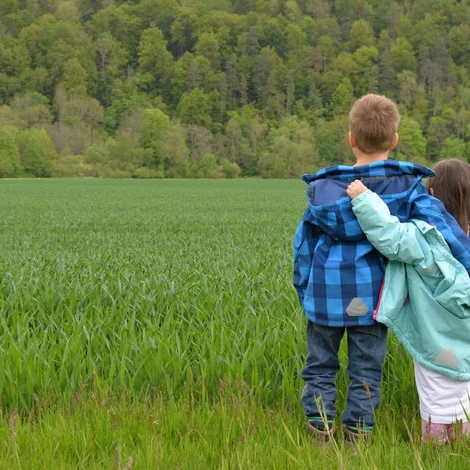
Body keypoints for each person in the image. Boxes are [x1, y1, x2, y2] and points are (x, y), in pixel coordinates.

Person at [293, 95, 470, 445]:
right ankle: (358, 435)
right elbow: (447, 232)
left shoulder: (323, 192)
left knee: (320, 365)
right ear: (394, 141)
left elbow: (303, 248)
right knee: (366, 369)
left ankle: (320, 430)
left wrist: (305, 290)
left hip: (325, 298)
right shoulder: (408, 190)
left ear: (351, 139)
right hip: (374, 298)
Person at [347, 160, 470, 445]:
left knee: (436, 391)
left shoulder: (426, 235)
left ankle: (436, 445)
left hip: (434, 337)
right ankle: (461, 443)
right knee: (463, 388)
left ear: (432, 193)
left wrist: (364, 198)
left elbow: (390, 235)